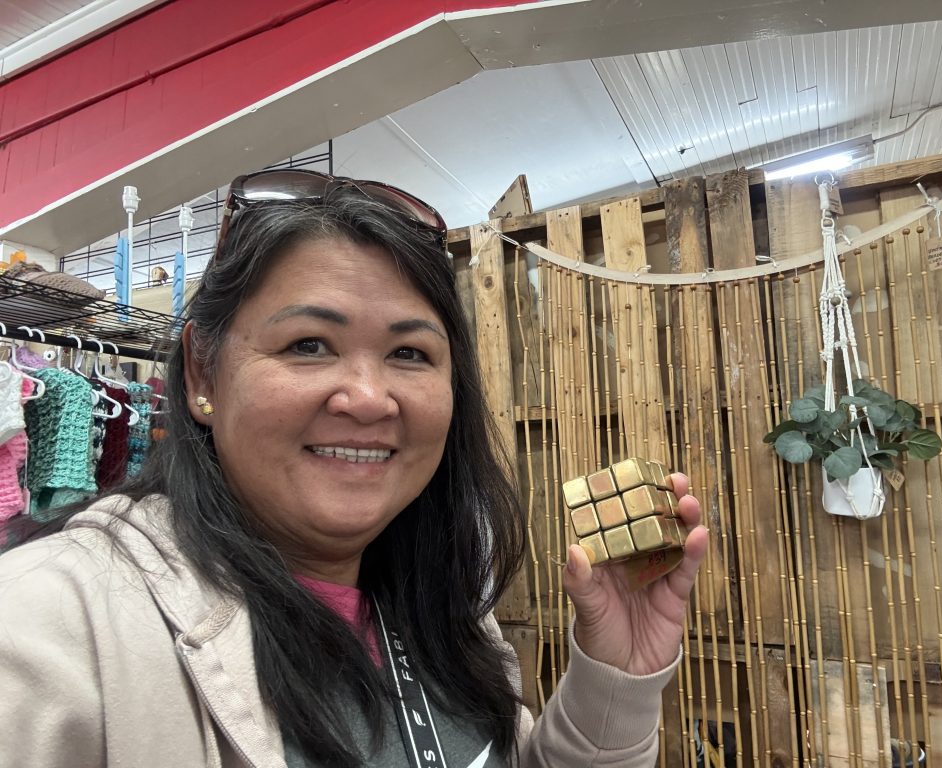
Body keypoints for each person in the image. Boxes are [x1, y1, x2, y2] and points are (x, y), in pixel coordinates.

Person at [0, 169, 709, 767]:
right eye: (308, 344)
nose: (369, 398)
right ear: (201, 373)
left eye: (409, 354)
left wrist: (617, 677)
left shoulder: (443, 605)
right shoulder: (47, 628)